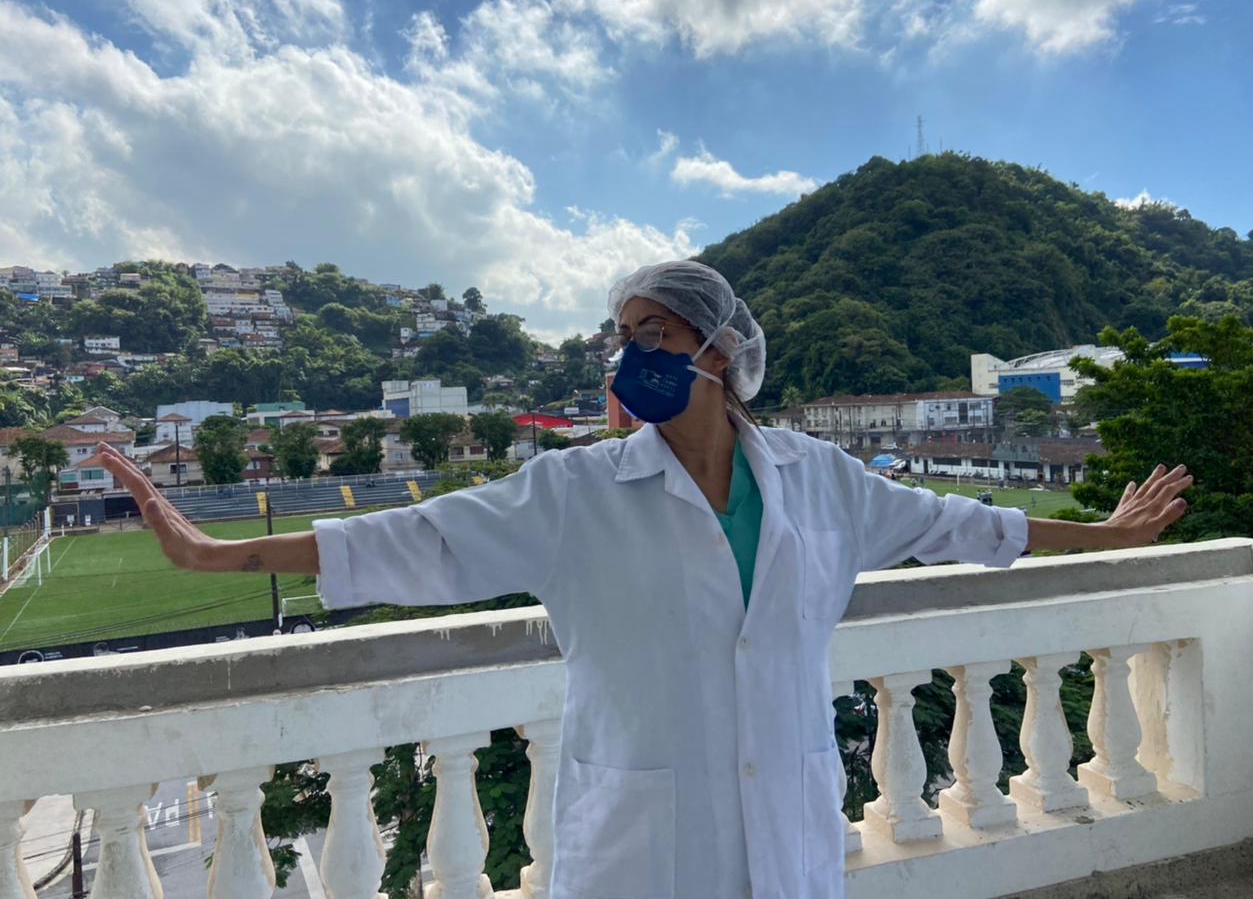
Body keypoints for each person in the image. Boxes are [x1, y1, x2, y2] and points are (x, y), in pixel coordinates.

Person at [97, 259, 1193, 899]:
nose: (631, 356)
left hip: (787, 824)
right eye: (620, 337)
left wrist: (1103, 537)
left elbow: (965, 525)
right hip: (642, 840)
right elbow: (417, 540)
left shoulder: (818, 480)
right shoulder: (575, 491)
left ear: (718, 349)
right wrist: (216, 553)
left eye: (653, 332)